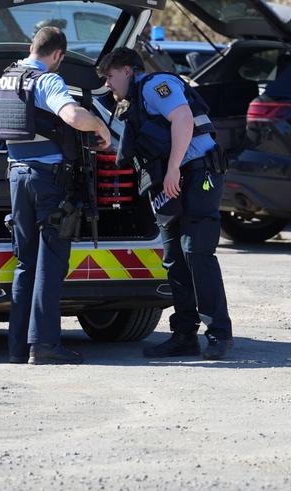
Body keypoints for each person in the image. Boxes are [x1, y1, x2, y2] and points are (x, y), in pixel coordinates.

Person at [97, 47, 234, 360]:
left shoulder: (156, 87)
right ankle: (184, 335)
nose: (108, 83)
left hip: (197, 172)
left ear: (128, 70)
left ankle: (219, 334)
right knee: (174, 257)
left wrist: (173, 169)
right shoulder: (133, 102)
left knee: (196, 252)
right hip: (171, 181)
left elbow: (183, 119)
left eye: (110, 76)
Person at [0, 27, 113, 364]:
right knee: (50, 262)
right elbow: (73, 116)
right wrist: (101, 128)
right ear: (58, 54)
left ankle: (18, 348)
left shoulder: (4, 80)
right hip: (47, 181)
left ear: (33, 46)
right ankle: (44, 345)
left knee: (26, 263)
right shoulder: (47, 81)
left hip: (16, 177)